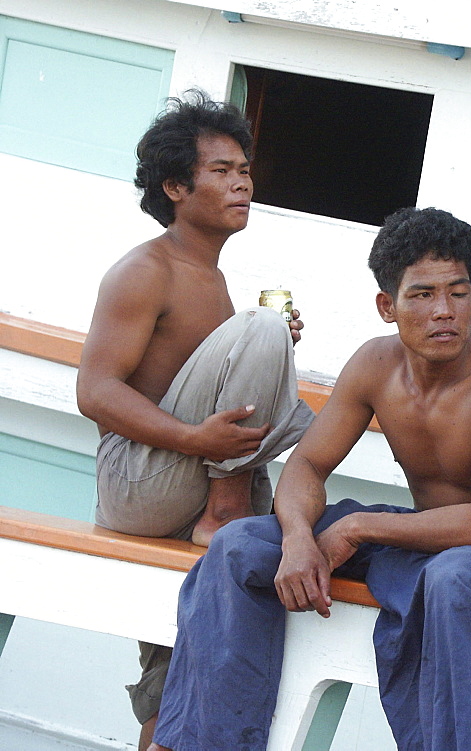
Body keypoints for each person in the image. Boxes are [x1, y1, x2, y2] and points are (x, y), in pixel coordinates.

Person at [149, 206, 471, 751]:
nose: (445, 312)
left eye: (458, 294)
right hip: (421, 536)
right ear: (387, 306)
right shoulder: (374, 365)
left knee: (451, 580)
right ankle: (204, 743)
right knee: (238, 544)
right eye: (422, 295)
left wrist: (355, 528)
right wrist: (297, 538)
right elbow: (307, 465)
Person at [76, 90, 314, 749]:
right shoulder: (145, 270)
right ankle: (225, 506)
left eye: (244, 170)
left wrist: (266, 355)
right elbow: (94, 390)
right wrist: (193, 437)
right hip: (141, 481)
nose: (242, 183)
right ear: (176, 186)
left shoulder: (213, 278)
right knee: (264, 329)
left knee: (182, 654)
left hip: (183, 477)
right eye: (221, 171)